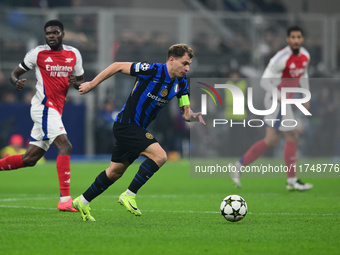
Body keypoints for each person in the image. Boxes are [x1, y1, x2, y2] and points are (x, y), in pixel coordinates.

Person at [72, 43, 205, 221]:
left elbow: (185, 114)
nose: (187, 68)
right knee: (160, 156)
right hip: (126, 125)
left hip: (138, 129)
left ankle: (82, 201)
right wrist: (91, 84)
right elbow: (117, 66)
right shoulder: (151, 70)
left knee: (114, 172)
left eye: (189, 64)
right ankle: (129, 194)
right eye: (184, 63)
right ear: (171, 60)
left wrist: (194, 116)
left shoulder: (181, 84)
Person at [0, 20, 84, 211]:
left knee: (29, 159)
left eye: (54, 33)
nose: (51, 36)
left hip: (56, 109)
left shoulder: (74, 54)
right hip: (43, 107)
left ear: (62, 34)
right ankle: (65, 200)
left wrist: (76, 83)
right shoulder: (38, 53)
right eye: (48, 34)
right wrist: (16, 82)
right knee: (65, 146)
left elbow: (80, 83)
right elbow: (15, 73)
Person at [230, 26, 313, 191]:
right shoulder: (280, 58)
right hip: (276, 100)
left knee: (271, 140)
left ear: (301, 39)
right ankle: (292, 181)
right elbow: (264, 82)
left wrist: (306, 94)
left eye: (299, 37)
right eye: (293, 37)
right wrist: (279, 96)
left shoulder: (305, 55)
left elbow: (303, 74)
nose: (296, 40)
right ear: (288, 39)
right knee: (292, 134)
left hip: (284, 100)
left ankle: (238, 166)